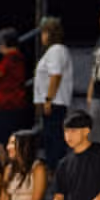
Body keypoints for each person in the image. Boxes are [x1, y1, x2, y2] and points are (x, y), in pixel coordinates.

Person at [35, 17, 76, 164]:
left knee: (55, 140)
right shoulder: (52, 51)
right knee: (50, 139)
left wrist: (48, 99)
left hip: (55, 103)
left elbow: (55, 75)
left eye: (44, 33)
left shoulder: (56, 50)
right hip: (52, 103)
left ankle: (57, 171)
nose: (42, 37)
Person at [0, 128, 48, 200]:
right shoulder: (9, 168)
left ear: (25, 145)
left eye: (12, 143)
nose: (7, 147)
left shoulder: (38, 168)